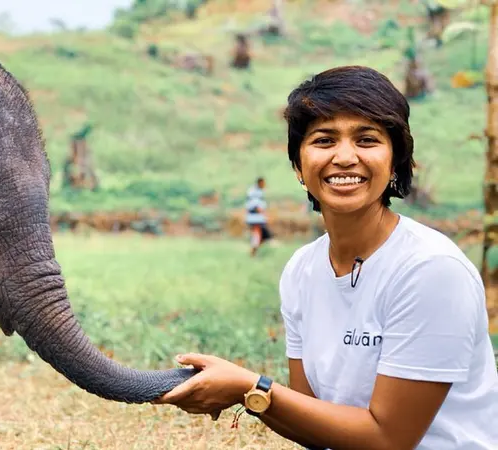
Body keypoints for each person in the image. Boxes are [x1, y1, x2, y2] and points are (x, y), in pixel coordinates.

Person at [152, 65, 498, 449]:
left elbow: (389, 440)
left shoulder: (430, 270)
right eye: (324, 140)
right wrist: (248, 392)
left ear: (396, 160)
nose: (345, 157)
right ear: (299, 165)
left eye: (367, 140)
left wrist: (250, 387)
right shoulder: (303, 270)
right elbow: (312, 420)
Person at [245, 177, 272, 256]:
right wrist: (265, 215)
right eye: (263, 183)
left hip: (257, 218)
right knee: (257, 235)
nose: (264, 185)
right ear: (260, 183)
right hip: (255, 218)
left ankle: (254, 251)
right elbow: (256, 206)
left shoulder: (257, 191)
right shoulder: (254, 192)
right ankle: (253, 252)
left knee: (260, 236)